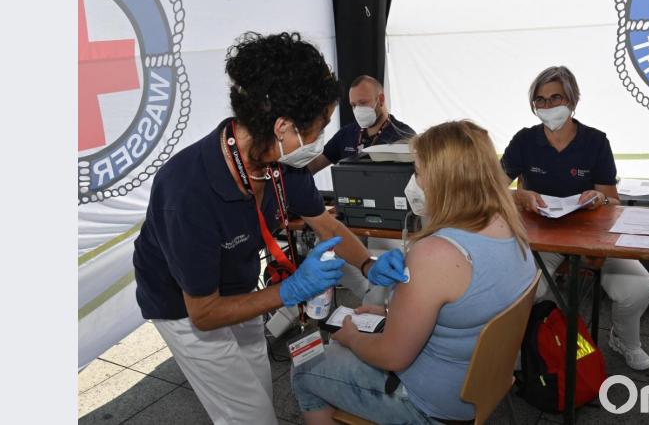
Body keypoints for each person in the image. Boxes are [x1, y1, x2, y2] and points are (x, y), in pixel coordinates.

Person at [132, 32, 406, 425]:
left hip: (238, 284)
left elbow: (325, 223)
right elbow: (205, 313)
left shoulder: (281, 161)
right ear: (284, 128)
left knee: (258, 378)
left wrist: (367, 266)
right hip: (185, 306)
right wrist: (289, 291)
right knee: (248, 414)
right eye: (321, 126)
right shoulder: (187, 190)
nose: (321, 138)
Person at [292, 120, 537, 424]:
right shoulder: (512, 227)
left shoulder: (435, 253)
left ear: (444, 182)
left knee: (304, 367)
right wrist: (388, 314)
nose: (413, 181)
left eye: (418, 172)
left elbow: (393, 356)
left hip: (431, 403)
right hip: (483, 385)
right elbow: (464, 308)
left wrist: (352, 337)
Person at [500, 65, 649, 371]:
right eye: (540, 100)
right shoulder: (524, 140)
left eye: (555, 98)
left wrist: (599, 198)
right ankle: (530, 344)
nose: (548, 106)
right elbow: (491, 188)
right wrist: (518, 196)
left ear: (573, 100)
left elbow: (612, 199)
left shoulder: (596, 142)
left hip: (594, 237)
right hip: (545, 238)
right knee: (529, 292)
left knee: (639, 288)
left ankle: (624, 339)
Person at [306, 75, 416, 174]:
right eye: (353, 105)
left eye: (363, 103)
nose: (357, 109)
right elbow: (314, 164)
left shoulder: (404, 136)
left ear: (381, 99)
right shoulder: (346, 134)